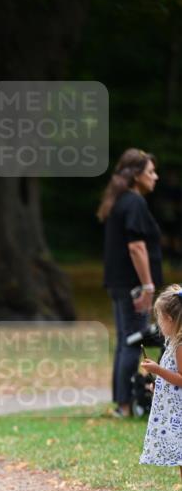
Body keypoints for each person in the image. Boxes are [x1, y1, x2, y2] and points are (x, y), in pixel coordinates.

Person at [98, 148, 163, 417]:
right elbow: (136, 247)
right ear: (136, 175)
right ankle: (125, 406)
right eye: (150, 172)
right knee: (133, 341)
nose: (155, 177)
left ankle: (122, 403)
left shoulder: (119, 201)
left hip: (119, 284)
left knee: (126, 340)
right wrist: (147, 286)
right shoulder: (134, 203)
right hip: (133, 286)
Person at [140, 285, 182, 491]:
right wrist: (159, 384)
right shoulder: (173, 343)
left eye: (160, 320)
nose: (159, 325)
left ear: (169, 318)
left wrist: (158, 371)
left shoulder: (181, 345)